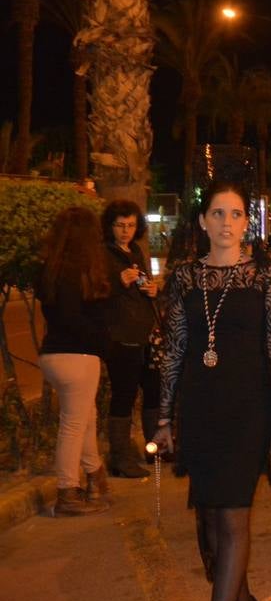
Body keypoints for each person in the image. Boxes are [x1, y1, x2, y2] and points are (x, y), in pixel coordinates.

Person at [152, 180, 271, 601]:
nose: (226, 223)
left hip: (249, 410)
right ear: (202, 221)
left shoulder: (266, 277)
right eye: (217, 213)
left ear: (246, 222)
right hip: (200, 411)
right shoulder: (184, 278)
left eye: (235, 214)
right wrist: (164, 417)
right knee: (212, 524)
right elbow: (174, 349)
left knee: (233, 520)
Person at [37, 206, 113, 516]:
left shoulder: (49, 268)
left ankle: (95, 474)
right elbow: (74, 317)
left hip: (51, 354)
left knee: (85, 417)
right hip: (78, 356)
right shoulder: (78, 270)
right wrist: (102, 339)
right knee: (73, 424)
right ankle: (67, 490)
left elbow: (57, 313)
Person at [100, 200, 162, 479]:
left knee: (154, 388)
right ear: (110, 226)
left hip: (145, 333)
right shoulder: (104, 254)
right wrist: (117, 282)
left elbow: (144, 284)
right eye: (120, 225)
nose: (125, 231)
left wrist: (151, 288)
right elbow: (95, 292)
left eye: (131, 225)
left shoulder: (135, 251)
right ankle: (121, 457)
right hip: (121, 335)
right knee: (124, 394)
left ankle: (155, 448)